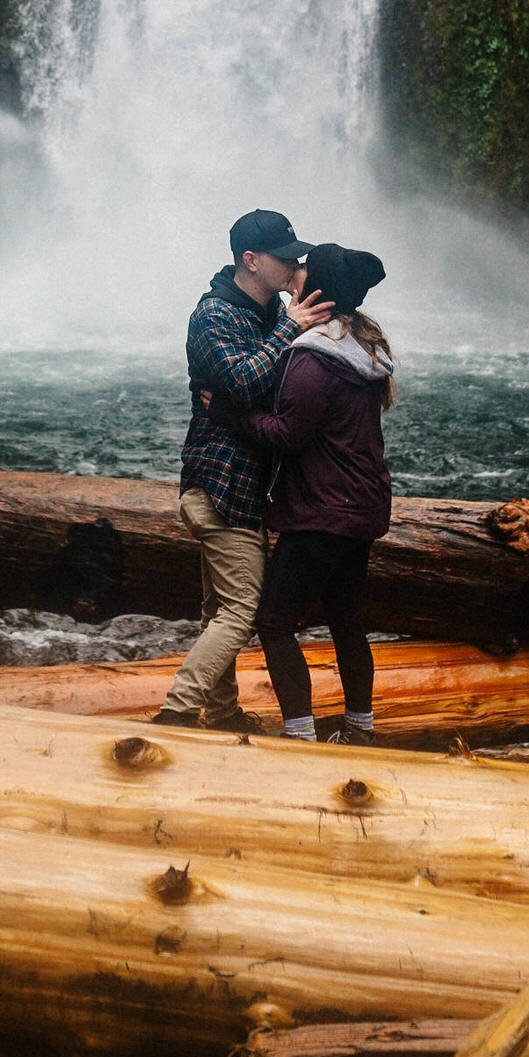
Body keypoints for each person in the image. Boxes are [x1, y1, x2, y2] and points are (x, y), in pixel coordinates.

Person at [152, 209, 333, 731]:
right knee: (241, 612)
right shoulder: (213, 316)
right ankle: (177, 713)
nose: (295, 263)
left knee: (217, 613)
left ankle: (225, 713)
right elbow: (246, 384)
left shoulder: (267, 311)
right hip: (220, 489)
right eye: (285, 256)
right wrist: (289, 331)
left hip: (245, 491)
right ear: (250, 261)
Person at [211, 242, 393, 746]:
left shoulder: (316, 359)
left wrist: (229, 413)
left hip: (321, 513)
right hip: (359, 507)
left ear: (319, 287)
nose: (294, 271)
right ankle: (360, 728)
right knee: (346, 620)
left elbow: (287, 433)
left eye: (303, 269)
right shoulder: (360, 344)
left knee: (273, 622)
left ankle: (300, 736)